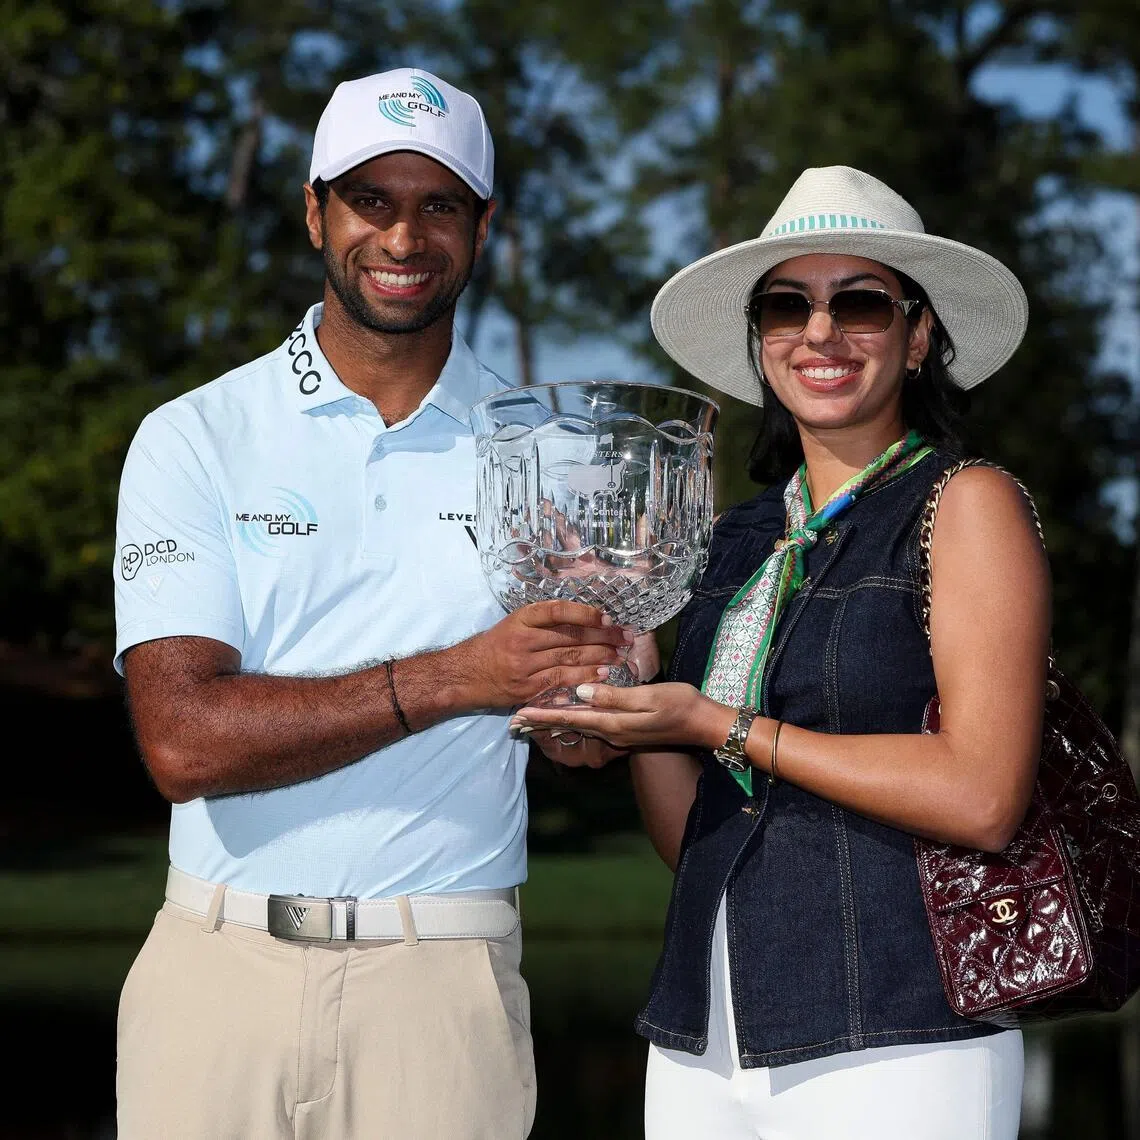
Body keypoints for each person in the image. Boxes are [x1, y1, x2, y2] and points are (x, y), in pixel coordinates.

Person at [110, 67, 632, 1140]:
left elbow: (582, 719)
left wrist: (592, 710)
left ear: (482, 229)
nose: (403, 238)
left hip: (444, 985)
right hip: (215, 973)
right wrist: (461, 677)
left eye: (439, 205)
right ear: (315, 213)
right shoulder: (194, 435)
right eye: (371, 202)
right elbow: (182, 740)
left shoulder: (554, 451)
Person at [510, 165, 1049, 1139]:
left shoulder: (965, 505)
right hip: (700, 1039)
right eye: (786, 305)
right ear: (760, 342)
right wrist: (633, 678)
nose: (820, 332)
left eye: (861, 303)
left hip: (902, 1035)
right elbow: (696, 839)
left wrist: (721, 722)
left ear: (919, 335)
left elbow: (983, 793)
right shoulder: (738, 538)